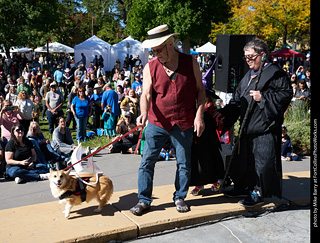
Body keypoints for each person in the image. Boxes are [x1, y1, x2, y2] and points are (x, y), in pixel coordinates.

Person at [129, 24, 205, 215]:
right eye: (153, 50)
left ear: (170, 44)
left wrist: (199, 115)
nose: (156, 54)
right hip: (157, 122)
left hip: (184, 121)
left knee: (184, 163)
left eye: (159, 49)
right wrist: (143, 112)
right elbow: (145, 94)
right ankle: (144, 200)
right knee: (147, 161)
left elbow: (200, 91)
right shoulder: (150, 67)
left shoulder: (191, 63)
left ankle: (180, 197)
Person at [219, 39, 292, 207]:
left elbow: (285, 95)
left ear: (262, 55)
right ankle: (243, 186)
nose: (248, 60)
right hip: (247, 128)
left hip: (264, 128)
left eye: (251, 57)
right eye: (246, 57)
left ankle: (258, 191)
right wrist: (223, 113)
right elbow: (237, 100)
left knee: (262, 162)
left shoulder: (275, 73)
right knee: (244, 162)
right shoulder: (248, 75)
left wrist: (263, 98)